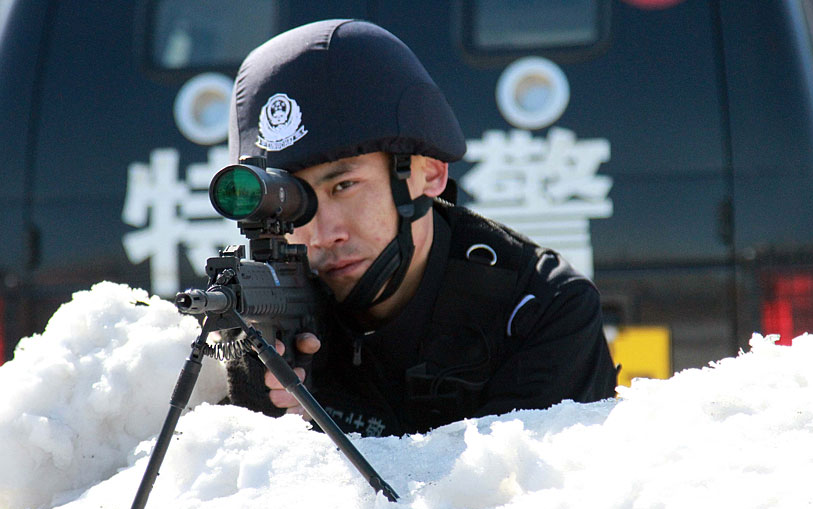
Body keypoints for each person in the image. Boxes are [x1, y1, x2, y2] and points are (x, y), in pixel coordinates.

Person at [222, 19, 618, 437]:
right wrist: (247, 410)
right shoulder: (267, 312)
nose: (322, 234)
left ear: (429, 173)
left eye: (344, 186)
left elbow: (508, 494)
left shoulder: (541, 311)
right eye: (295, 202)